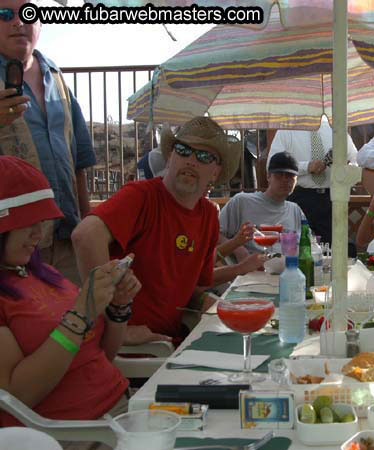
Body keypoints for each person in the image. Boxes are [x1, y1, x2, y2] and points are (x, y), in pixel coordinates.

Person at [71, 117, 246, 345]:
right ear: (170, 156)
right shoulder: (141, 196)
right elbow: (85, 236)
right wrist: (114, 325)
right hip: (137, 353)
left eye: (204, 156)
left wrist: (206, 300)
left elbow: (193, 286)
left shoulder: (209, 215)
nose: (191, 160)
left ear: (215, 172)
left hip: (176, 341)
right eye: (183, 150)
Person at [0, 157, 140, 432]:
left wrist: (118, 308)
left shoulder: (44, 274)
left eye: (41, 223)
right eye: (28, 223)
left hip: (123, 411)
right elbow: (16, 396)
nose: (37, 235)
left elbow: (99, 355)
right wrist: (80, 315)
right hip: (76, 434)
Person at [0, 0, 96, 284]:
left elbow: (78, 160)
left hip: (67, 236)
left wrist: (87, 222)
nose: (19, 22)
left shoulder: (56, 77)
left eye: (29, 13)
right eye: (5, 14)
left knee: (75, 323)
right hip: (10, 247)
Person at [267, 116, 358, 245]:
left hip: (331, 199)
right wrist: (306, 167)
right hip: (299, 198)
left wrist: (344, 170)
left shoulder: (337, 130)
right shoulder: (286, 130)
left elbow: (356, 161)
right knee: (299, 248)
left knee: (333, 249)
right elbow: (272, 166)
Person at [220, 151, 306, 255]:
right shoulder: (242, 202)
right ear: (268, 176)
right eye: (279, 175)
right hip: (251, 269)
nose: (284, 180)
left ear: (296, 180)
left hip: (288, 267)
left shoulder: (295, 210)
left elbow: (308, 244)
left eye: (290, 176)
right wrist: (239, 251)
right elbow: (214, 234)